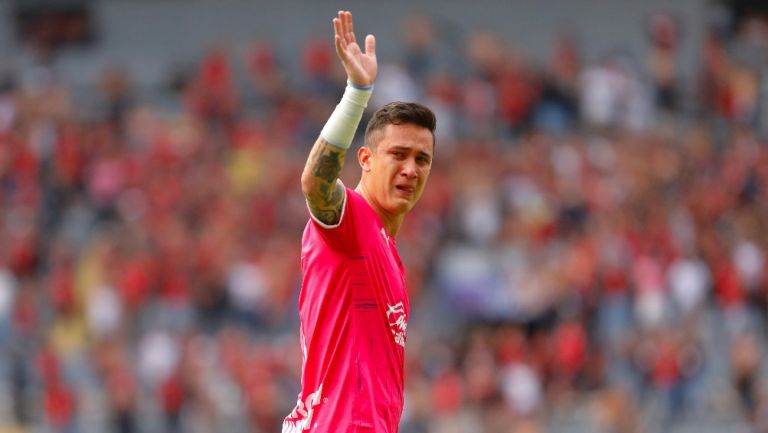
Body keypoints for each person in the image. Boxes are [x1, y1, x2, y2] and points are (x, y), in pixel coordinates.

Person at [282, 10, 436, 433]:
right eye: (398, 154)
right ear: (365, 160)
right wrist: (358, 92)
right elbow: (315, 183)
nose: (411, 169)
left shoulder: (389, 251)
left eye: (422, 159)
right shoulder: (352, 222)